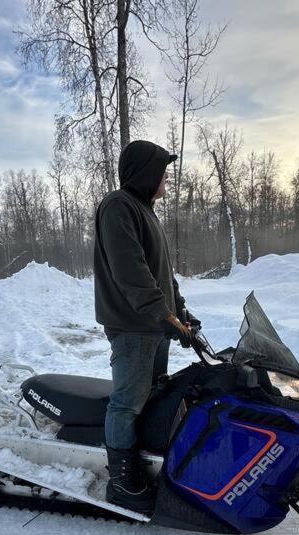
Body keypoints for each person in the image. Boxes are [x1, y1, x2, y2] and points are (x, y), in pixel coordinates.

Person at [94, 139, 199, 512]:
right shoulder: (118, 206)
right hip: (134, 327)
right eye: (162, 172)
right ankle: (121, 481)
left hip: (155, 327)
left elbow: (162, 274)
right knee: (127, 403)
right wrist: (162, 314)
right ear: (145, 172)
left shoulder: (145, 210)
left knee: (152, 398)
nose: (166, 179)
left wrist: (180, 312)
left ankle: (146, 462)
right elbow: (131, 271)